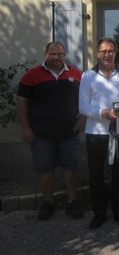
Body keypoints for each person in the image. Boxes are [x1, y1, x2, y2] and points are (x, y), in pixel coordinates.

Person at [16, 41, 86, 221]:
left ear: (65, 54)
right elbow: (22, 100)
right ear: (45, 54)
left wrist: (83, 118)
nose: (56, 57)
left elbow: (88, 99)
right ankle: (48, 202)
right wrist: (25, 127)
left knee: (71, 168)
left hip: (69, 132)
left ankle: (73, 202)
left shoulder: (77, 74)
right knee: (45, 169)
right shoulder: (32, 75)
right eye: (52, 54)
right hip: (41, 135)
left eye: (60, 54)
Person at [79, 37, 119, 229]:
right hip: (95, 132)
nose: (107, 54)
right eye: (103, 51)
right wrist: (102, 113)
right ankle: (99, 213)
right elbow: (83, 106)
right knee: (96, 173)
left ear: (116, 52)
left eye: (111, 51)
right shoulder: (88, 76)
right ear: (97, 53)